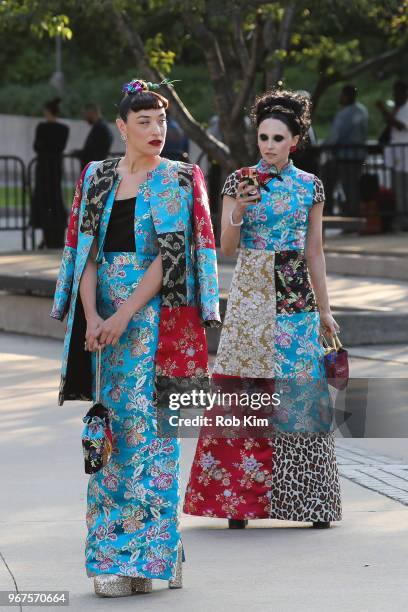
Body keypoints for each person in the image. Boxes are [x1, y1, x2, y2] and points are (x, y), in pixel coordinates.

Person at [50, 78, 220, 597]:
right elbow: (83, 250)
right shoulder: (96, 176)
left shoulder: (181, 178)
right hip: (101, 326)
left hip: (156, 322)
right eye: (144, 121)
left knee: (153, 440)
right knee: (110, 439)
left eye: (162, 121)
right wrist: (92, 317)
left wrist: (121, 315)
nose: (156, 130)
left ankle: (151, 560)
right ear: (121, 127)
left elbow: (171, 260)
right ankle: (118, 559)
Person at [184, 88, 342, 530]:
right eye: (263, 137)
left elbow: (315, 252)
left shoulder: (311, 186)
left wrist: (325, 310)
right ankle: (238, 504)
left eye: (277, 138)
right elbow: (226, 247)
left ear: (295, 141)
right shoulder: (239, 181)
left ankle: (312, 505)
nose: (268, 145)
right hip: (251, 294)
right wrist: (240, 212)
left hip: (295, 296)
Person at [322, 84, 368, 216]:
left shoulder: (346, 113)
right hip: (356, 155)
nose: (340, 97)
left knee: (348, 186)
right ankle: (350, 212)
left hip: (346, 155)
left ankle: (349, 214)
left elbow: (336, 135)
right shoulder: (362, 110)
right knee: (351, 185)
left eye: (342, 95)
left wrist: (324, 146)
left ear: (347, 96)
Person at [30, 97, 69, 249]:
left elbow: (37, 146)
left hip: (43, 169)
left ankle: (47, 236)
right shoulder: (64, 129)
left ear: (47, 112)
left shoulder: (42, 128)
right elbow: (60, 147)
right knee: (55, 199)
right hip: (55, 169)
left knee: (43, 201)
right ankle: (56, 236)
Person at [378, 80, 408, 224]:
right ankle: (401, 219)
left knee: (404, 189)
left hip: (405, 154)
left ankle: (403, 219)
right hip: (397, 156)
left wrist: (383, 110)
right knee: (398, 189)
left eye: (397, 92)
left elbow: (400, 126)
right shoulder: (398, 108)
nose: (395, 95)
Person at [73, 103, 113, 169]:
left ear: (92, 113)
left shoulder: (100, 128)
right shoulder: (101, 127)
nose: (84, 117)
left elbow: (93, 152)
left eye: (85, 114)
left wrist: (79, 154)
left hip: (94, 169)